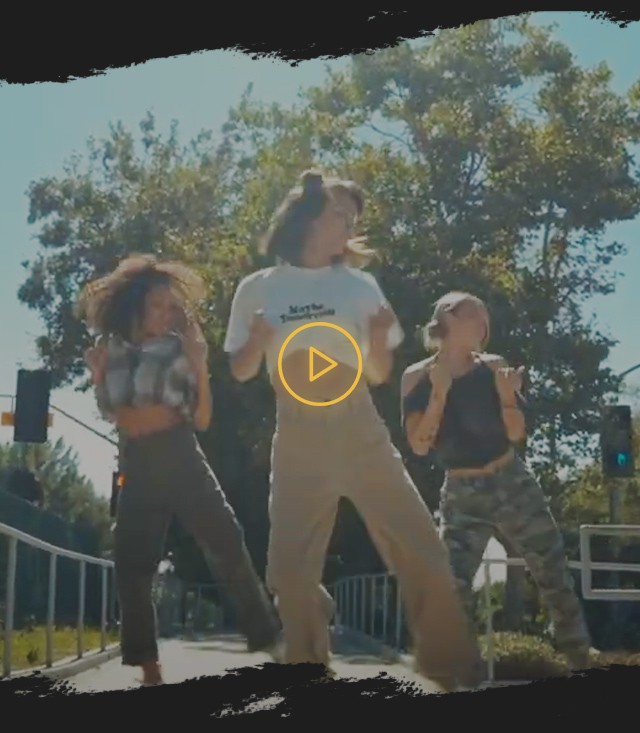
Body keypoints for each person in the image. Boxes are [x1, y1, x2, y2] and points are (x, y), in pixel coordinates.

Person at [223, 169, 484, 692]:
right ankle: (308, 667)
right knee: (289, 575)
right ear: (310, 216)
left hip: (358, 427)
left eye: (353, 219)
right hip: (297, 435)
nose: (349, 226)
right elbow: (241, 369)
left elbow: (380, 373)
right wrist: (256, 339)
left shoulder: (358, 286)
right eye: (342, 214)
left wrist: (380, 339)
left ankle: (449, 669)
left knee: (421, 549)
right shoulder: (259, 288)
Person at [76, 254, 282, 686]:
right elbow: (113, 411)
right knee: (132, 563)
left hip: (183, 455)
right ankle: (148, 667)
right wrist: (98, 376)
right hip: (138, 463)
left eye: (172, 308)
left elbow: (202, 418)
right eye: (157, 306)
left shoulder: (179, 350)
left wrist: (200, 365)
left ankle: (268, 637)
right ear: (136, 306)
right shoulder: (111, 349)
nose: (166, 315)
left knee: (227, 540)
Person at [401, 290, 594, 672]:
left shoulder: (493, 367)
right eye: (474, 314)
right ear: (447, 318)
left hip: (511, 480)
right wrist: (439, 393)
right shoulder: (416, 378)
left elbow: (517, 433)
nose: (483, 323)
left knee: (552, 570)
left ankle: (580, 660)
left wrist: (507, 397)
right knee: (452, 586)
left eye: (485, 318)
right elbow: (420, 445)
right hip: (462, 492)